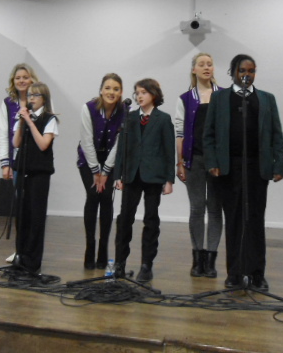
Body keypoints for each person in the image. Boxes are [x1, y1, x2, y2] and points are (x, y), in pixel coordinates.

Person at [203, 54, 283, 290]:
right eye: (242, 70)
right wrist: (212, 162)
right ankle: (235, 273)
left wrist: (278, 165)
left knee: (255, 221)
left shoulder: (266, 99)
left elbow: (277, 134)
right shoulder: (219, 98)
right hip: (229, 168)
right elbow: (208, 134)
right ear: (233, 72)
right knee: (234, 221)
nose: (247, 75)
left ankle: (257, 273)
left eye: (251, 71)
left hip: (258, 168)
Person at [114, 79, 175, 282]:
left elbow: (169, 150)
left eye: (143, 92)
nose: (139, 96)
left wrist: (169, 179)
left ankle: (146, 264)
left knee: (150, 219)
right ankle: (120, 262)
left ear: (154, 94)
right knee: (125, 219)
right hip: (131, 175)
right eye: (137, 93)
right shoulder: (130, 118)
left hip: (153, 176)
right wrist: (118, 175)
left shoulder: (163, 119)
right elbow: (122, 148)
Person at [175, 53, 223, 278]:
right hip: (194, 160)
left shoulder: (223, 95)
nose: (206, 67)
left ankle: (211, 259)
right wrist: (180, 162)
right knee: (196, 208)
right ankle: (197, 258)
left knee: (214, 209)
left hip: (216, 162)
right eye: (201, 64)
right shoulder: (185, 99)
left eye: (209, 64)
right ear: (193, 70)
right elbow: (180, 132)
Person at [77, 74, 125, 270]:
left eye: (116, 89)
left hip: (111, 161)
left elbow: (119, 144)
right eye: (107, 88)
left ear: (121, 92)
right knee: (92, 195)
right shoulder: (88, 108)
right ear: (101, 90)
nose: (111, 92)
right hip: (88, 160)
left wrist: (105, 171)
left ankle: (103, 250)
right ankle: (90, 247)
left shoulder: (125, 111)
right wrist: (96, 170)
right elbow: (86, 141)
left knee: (106, 197)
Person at [12, 82, 58, 274]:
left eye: (35, 95)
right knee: (22, 215)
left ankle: (33, 262)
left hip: (40, 174)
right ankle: (20, 256)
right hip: (23, 171)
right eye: (29, 95)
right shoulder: (24, 117)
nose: (31, 98)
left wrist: (30, 123)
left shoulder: (50, 119)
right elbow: (16, 143)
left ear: (44, 99)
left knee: (36, 217)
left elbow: (43, 144)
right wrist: (22, 122)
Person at [0, 63, 40, 181]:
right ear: (13, 81)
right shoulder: (8, 104)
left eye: (25, 77)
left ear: (32, 80)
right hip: (16, 161)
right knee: (16, 192)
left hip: (36, 160)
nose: (21, 81)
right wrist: (5, 163)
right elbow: (3, 134)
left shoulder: (41, 101)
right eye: (18, 78)